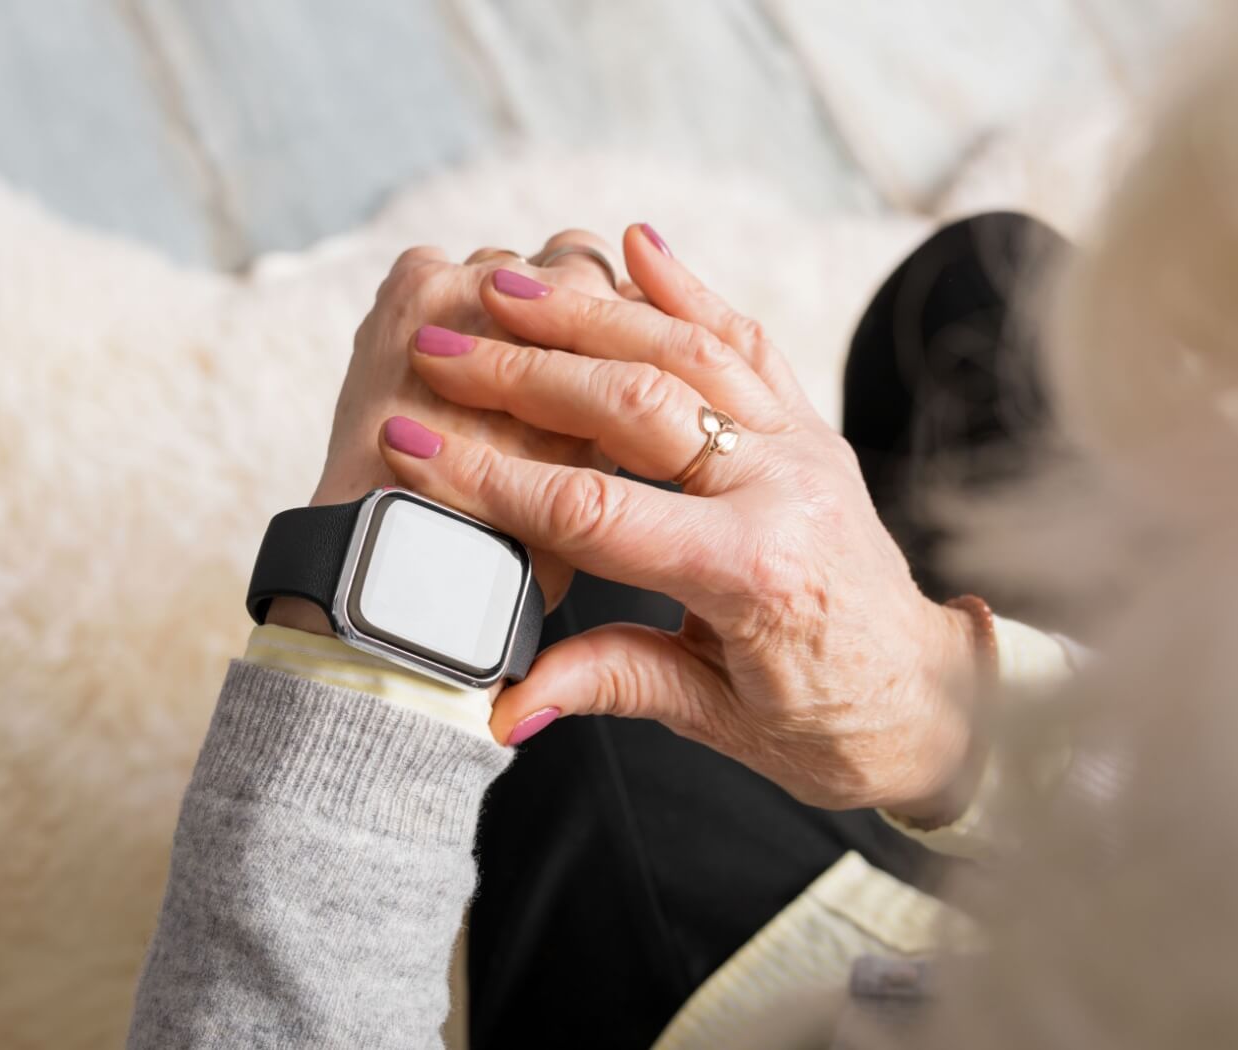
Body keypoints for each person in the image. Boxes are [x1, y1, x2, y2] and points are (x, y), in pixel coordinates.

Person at [124, 208, 1073, 1050]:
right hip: (1046, 947)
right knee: (996, 286)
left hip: (763, 1004)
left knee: (579, 524)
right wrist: (939, 699)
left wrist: (390, 656)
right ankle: (866, 566)